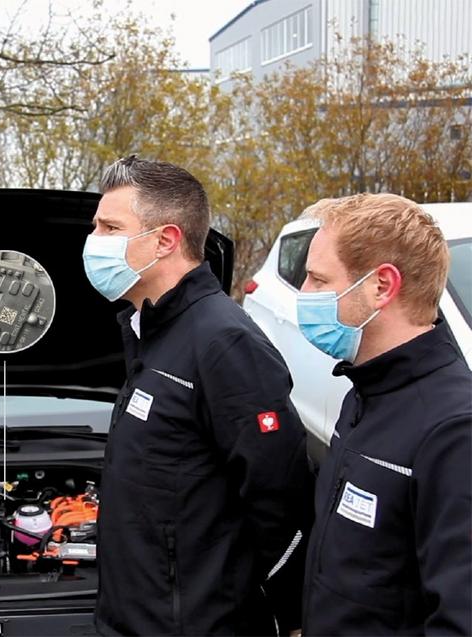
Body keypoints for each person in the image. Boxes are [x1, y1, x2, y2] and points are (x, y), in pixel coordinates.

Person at [87, 156, 312, 635]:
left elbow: (279, 497)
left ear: (165, 240)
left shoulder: (224, 342)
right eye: (95, 227)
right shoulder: (152, 329)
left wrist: (294, 619)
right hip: (136, 617)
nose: (94, 241)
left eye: (110, 227)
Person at [298, 194, 471, 635]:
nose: (303, 294)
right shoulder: (365, 390)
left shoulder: (454, 430)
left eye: (318, 279)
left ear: (382, 286)